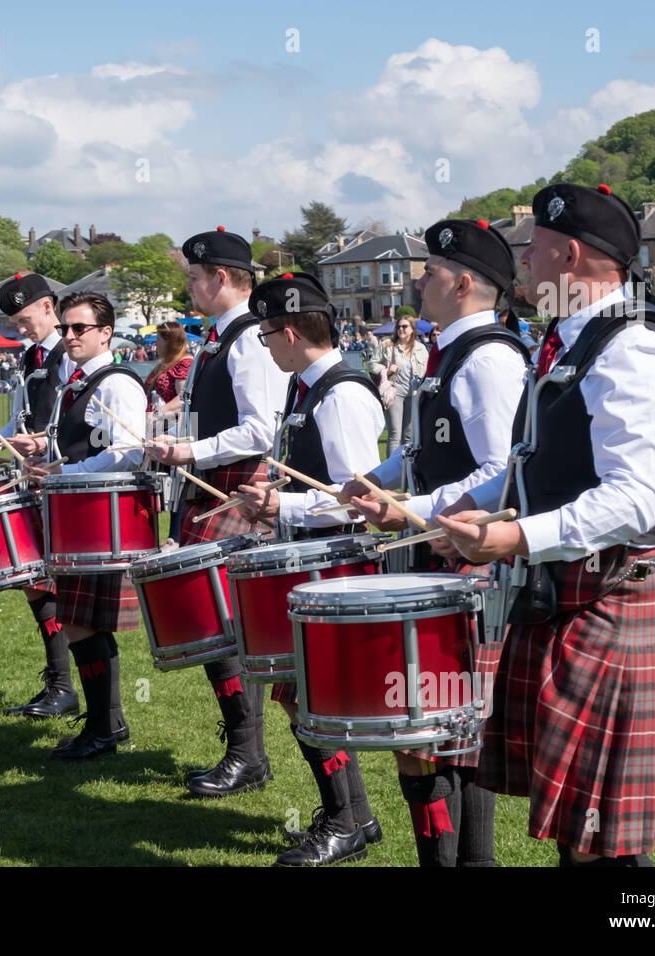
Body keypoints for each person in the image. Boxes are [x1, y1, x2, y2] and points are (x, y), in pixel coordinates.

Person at [432, 182, 655, 866]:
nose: (521, 265)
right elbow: (527, 463)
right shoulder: (567, 341)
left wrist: (514, 536)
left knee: (602, 842)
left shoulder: (633, 349)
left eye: (533, 251)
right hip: (575, 597)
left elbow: (634, 499)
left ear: (570, 255)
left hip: (618, 596)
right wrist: (434, 511)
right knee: (584, 833)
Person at [343, 219, 530, 867]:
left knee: (457, 734)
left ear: (466, 282)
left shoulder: (491, 359)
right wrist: (374, 480)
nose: (420, 277)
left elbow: (502, 471)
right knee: (418, 732)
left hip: (472, 568)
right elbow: (423, 452)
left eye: (432, 269)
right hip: (432, 562)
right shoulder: (445, 353)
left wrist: (411, 509)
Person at [231, 273, 386, 867]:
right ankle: (352, 815)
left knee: (314, 699)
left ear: (291, 333)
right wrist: (276, 488)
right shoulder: (308, 388)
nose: (265, 346)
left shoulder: (342, 393)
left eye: (268, 334)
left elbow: (361, 497)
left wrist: (284, 504)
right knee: (299, 697)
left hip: (334, 560)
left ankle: (347, 820)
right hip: (306, 555)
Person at [145, 227, 291, 798]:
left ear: (221, 278)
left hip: (240, 490)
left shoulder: (250, 340)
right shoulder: (219, 337)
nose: (189, 284)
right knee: (218, 630)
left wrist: (190, 450)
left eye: (193, 275)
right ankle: (243, 751)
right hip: (212, 488)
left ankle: (247, 754)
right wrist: (176, 434)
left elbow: (261, 428)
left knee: (228, 630)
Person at [22, 292, 145, 759]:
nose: (69, 336)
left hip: (99, 518)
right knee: (76, 622)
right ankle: (103, 725)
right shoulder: (74, 381)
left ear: (105, 333)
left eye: (80, 329)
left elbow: (129, 452)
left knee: (85, 623)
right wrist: (43, 451)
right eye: (67, 328)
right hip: (73, 512)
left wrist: (66, 474)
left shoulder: (117, 384)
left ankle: (105, 727)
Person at [0, 273, 80, 718]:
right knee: (34, 583)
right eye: (14, 321)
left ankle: (66, 688)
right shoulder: (32, 358)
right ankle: (58, 683)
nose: (20, 327)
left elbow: (76, 422)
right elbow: (22, 418)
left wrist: (44, 446)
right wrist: (2, 441)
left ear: (49, 307)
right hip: (33, 479)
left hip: (62, 479)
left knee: (52, 584)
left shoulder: (70, 355)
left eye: (25, 318)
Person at [371, 315, 428, 456]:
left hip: (414, 394)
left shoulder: (421, 349)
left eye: (405, 326)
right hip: (395, 392)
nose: (401, 329)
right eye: (399, 326)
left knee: (409, 436)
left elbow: (426, 371)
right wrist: (385, 370)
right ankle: (391, 475)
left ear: (412, 330)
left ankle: (405, 470)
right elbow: (372, 365)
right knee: (395, 435)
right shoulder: (388, 345)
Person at [142, 321, 193, 412]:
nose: (156, 344)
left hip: (172, 424)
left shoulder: (184, 364)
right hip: (158, 424)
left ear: (170, 343)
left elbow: (185, 398)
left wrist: (160, 412)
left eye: (158, 340)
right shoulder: (166, 363)